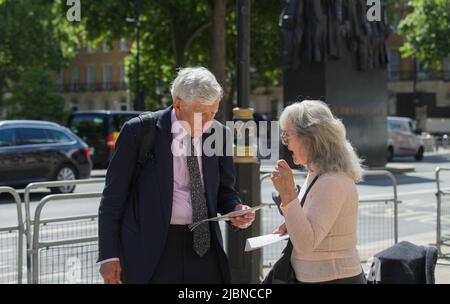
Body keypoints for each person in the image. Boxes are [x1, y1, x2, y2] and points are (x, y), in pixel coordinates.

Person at [98, 67, 255, 284]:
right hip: (151, 251)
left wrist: (235, 209)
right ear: (178, 105)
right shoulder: (139, 132)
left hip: (204, 249)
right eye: (202, 114)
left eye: (214, 112)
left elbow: (225, 192)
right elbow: (112, 198)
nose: (209, 121)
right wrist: (109, 255)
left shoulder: (219, 134)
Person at [271, 99, 366, 284]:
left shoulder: (331, 181)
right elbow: (311, 226)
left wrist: (288, 194)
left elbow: (306, 244)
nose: (286, 144)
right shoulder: (317, 173)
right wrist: (291, 223)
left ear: (309, 138)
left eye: (287, 136)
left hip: (333, 278)